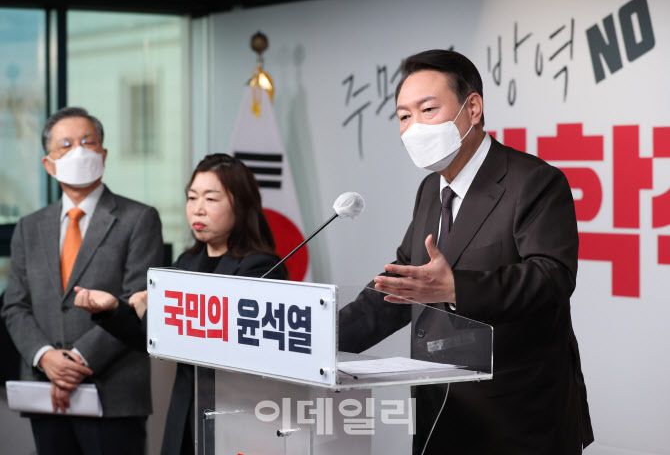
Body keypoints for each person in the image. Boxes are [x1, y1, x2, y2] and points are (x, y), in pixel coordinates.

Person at [338, 50, 593, 455]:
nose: (414, 127)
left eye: (428, 110)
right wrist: (320, 335)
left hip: (517, 415)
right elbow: (404, 281)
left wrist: (456, 287)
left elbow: (552, 277)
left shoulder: (534, 182)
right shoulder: (430, 189)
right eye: (404, 117)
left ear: (472, 108)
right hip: (440, 407)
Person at [73, 153, 286, 455]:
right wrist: (112, 310)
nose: (198, 208)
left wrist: (149, 311)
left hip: (238, 411)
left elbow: (220, 343)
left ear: (240, 205)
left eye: (211, 199)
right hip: (185, 411)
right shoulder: (187, 263)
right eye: (192, 197)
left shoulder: (260, 267)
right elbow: (152, 339)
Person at [1, 107, 163, 454]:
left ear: (103, 154)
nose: (79, 151)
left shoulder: (139, 218)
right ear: (48, 164)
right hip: (44, 390)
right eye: (66, 144)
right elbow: (15, 304)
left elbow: (137, 301)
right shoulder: (29, 226)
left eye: (88, 142)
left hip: (113, 394)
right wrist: (46, 358)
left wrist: (76, 362)